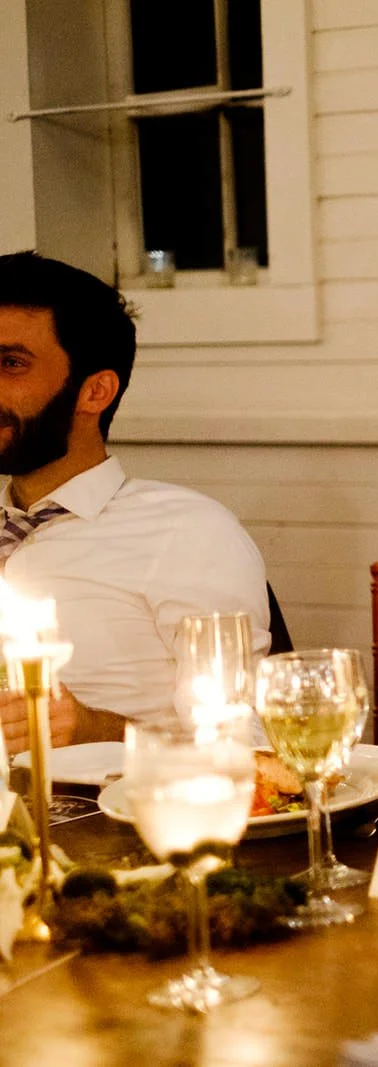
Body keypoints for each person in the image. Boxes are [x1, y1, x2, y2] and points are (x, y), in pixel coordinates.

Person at [0, 251, 271, 756]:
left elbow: (247, 747)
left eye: (11, 363)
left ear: (95, 392)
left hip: (115, 802)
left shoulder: (187, 534)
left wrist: (94, 729)